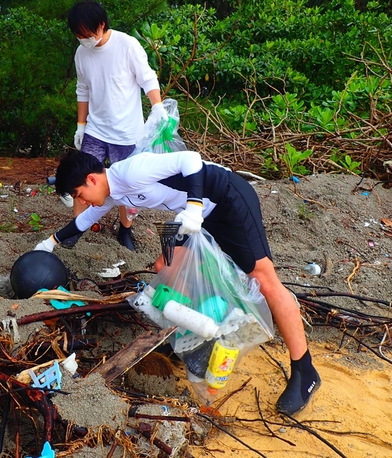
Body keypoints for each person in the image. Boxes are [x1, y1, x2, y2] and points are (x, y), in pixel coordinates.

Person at [34, 150, 321, 416]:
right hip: (191, 217)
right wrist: (48, 243)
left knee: (263, 279)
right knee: (165, 266)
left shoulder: (131, 171)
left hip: (225, 200)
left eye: (77, 193)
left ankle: (304, 371)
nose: (80, 201)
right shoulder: (111, 192)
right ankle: (196, 335)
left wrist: (194, 208)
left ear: (91, 179)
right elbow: (86, 220)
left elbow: (192, 160)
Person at [65, 0, 163, 251]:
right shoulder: (81, 53)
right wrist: (80, 124)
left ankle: (125, 231)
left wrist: (158, 107)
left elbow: (147, 78)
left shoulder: (127, 45)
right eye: (78, 36)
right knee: (80, 179)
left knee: (127, 186)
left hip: (128, 133)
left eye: (86, 34)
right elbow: (83, 88)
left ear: (101, 25)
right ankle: (77, 228)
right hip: (96, 130)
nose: (83, 40)